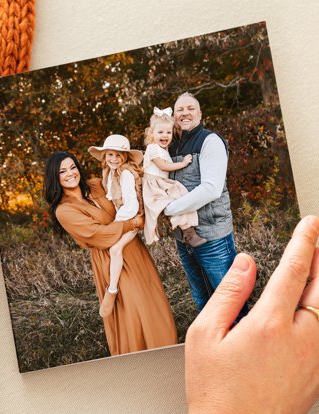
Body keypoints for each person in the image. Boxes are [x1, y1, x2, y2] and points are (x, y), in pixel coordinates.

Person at [44, 151, 177, 356]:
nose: (70, 173)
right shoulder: (64, 210)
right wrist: (133, 223)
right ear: (55, 177)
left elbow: (127, 188)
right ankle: (142, 362)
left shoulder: (97, 184)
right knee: (134, 311)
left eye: (72, 167)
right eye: (62, 171)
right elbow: (98, 234)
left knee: (153, 303)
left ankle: (169, 354)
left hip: (133, 249)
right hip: (109, 257)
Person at [185, 214, 319, 414]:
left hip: (210, 234)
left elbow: (210, 189)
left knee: (228, 305)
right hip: (188, 237)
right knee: (204, 297)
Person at [166, 92, 247, 316]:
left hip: (213, 237)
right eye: (180, 109)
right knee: (203, 302)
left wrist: (170, 209)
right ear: (173, 117)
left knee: (231, 303)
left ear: (200, 113)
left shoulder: (210, 141)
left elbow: (211, 188)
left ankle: (244, 348)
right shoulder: (170, 147)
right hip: (184, 238)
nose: (185, 113)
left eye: (190, 108)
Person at [88, 134, 144, 317]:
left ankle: (111, 292)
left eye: (118, 155)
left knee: (115, 249)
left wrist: (117, 224)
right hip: (122, 217)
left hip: (132, 217)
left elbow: (132, 205)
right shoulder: (109, 173)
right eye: (110, 155)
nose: (114, 159)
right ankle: (114, 284)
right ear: (105, 156)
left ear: (125, 157)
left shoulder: (126, 174)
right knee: (112, 248)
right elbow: (111, 197)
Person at [142, 106, 206, 246]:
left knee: (183, 194)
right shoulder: (152, 148)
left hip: (162, 183)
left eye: (168, 132)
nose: (165, 136)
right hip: (154, 186)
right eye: (160, 132)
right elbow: (163, 166)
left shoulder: (164, 149)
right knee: (175, 201)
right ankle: (185, 231)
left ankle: (188, 231)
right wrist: (183, 164)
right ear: (152, 134)